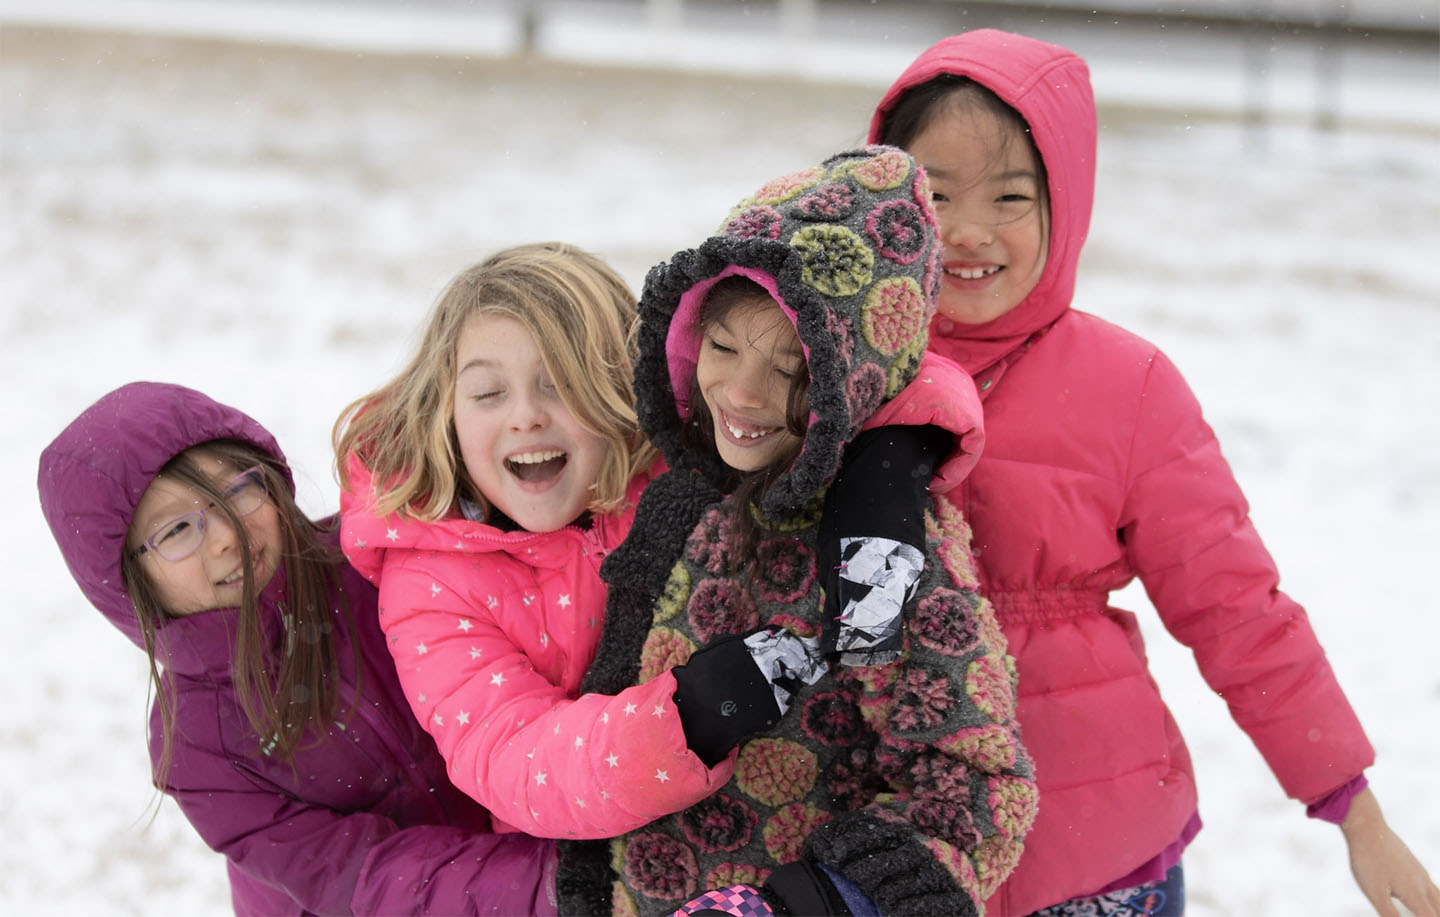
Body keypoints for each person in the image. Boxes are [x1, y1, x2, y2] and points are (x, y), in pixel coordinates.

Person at [869, 28, 1440, 917]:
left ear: (1069, 202)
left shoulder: (1127, 388)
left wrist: (1353, 808)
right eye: (934, 194)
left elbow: (1240, 611)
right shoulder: (844, 364)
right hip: (889, 843)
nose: (970, 231)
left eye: (1011, 196)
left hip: (1092, 853)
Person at [559, 146, 1037, 917]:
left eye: (793, 371)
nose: (743, 393)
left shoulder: (884, 557)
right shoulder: (678, 493)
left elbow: (976, 786)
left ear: (853, 378)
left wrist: (813, 902)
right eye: (722, 348)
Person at [36, 381, 556, 916]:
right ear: (126, 582)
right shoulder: (199, 743)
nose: (226, 536)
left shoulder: (375, 560)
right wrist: (548, 886)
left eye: (237, 489)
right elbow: (358, 874)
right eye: (175, 531)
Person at [334, 241, 779, 846]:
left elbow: (840, 362)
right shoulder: (432, 580)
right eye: (489, 394)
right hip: (584, 866)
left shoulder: (683, 471)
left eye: (559, 385)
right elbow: (510, 752)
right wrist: (680, 723)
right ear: (448, 414)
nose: (525, 417)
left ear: (624, 391)